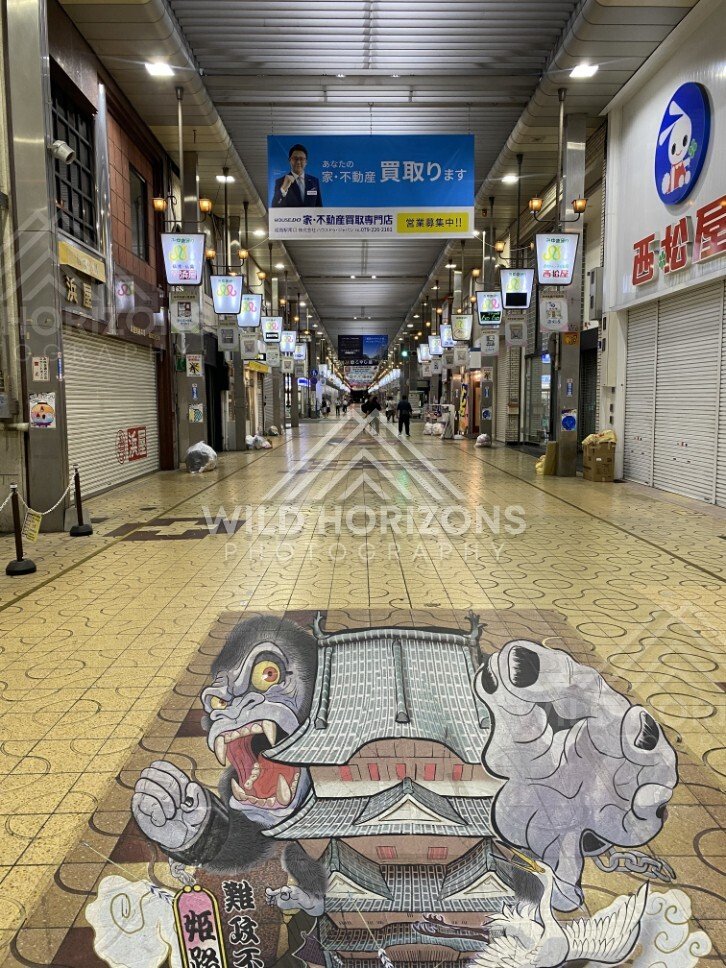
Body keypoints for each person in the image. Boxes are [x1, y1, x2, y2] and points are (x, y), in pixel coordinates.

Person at [272, 144, 323, 208]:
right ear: (290, 160)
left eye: (301, 159)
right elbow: (274, 206)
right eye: (295, 158)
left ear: (306, 162)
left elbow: (319, 207)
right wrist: (283, 188)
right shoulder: (280, 182)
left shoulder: (314, 181)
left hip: (309, 215)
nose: (298, 162)